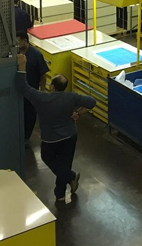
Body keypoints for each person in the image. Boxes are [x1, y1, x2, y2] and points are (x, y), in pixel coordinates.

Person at [17, 54, 96, 204]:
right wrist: (78, 113)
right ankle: (60, 193)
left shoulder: (41, 99)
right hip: (70, 136)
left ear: (52, 86)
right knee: (65, 162)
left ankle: (70, 177)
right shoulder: (71, 97)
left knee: (47, 158)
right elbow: (92, 102)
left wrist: (21, 66)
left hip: (50, 139)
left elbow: (22, 86)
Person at [16, 31, 50, 145]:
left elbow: (43, 74)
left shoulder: (36, 54)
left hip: (32, 91)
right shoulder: (16, 53)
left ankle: (26, 137)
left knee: (30, 114)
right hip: (19, 91)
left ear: (25, 40)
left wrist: (43, 90)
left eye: (18, 42)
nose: (17, 45)